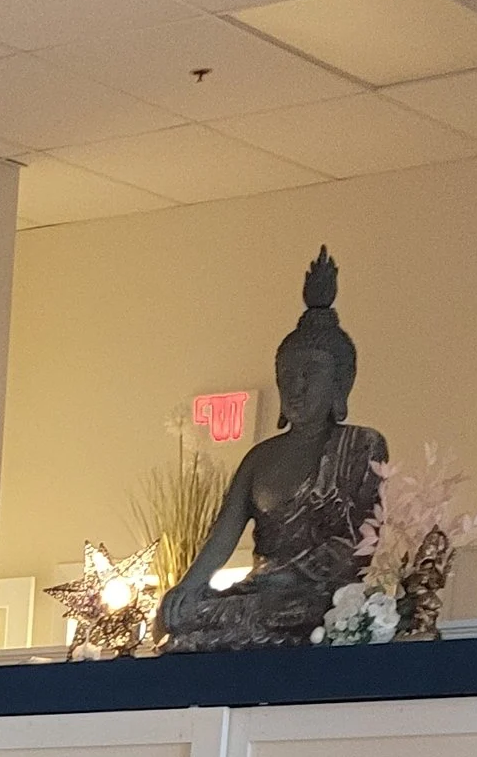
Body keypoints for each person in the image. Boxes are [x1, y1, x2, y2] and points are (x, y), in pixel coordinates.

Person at [159, 252, 386, 650]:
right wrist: (188, 587)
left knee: (310, 612)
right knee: (186, 617)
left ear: (339, 383)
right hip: (261, 592)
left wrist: (295, 574)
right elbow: (222, 536)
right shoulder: (260, 458)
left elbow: (360, 542)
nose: (295, 387)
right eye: (286, 376)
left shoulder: (361, 445)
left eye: (309, 375)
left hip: (316, 597)